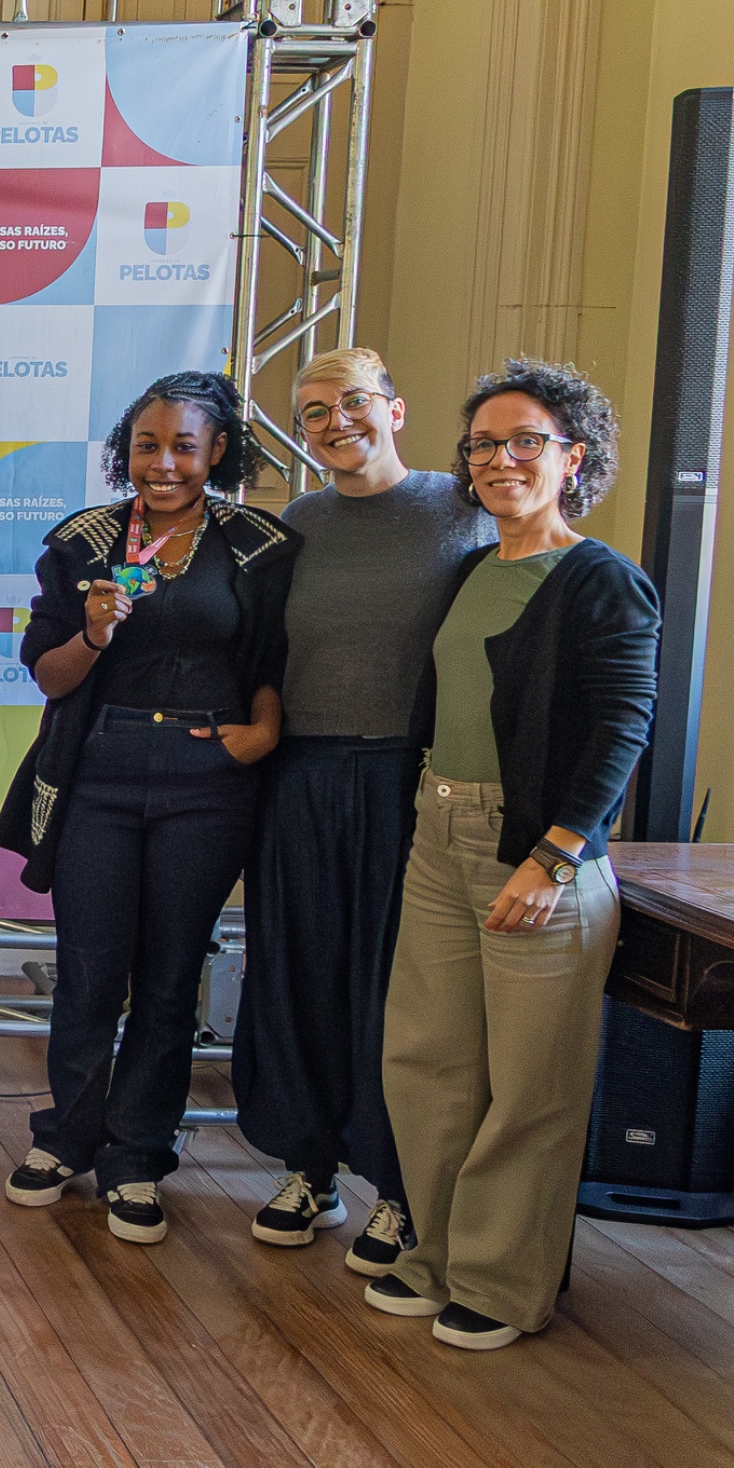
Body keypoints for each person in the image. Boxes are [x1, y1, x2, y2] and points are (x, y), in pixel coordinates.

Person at [362, 359, 657, 1352]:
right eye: (483, 444)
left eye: (526, 440)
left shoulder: (600, 579)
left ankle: (500, 1283)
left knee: (531, 1085)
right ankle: (439, 1256)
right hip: (437, 834)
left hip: (536, 848)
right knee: (429, 1061)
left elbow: (623, 724)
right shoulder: (471, 570)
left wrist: (555, 855)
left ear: (573, 457)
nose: (500, 459)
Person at [0, 371, 300, 1245]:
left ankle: (137, 1157)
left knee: (168, 980)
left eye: (183, 448)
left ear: (218, 452)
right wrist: (94, 633)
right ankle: (66, 1138)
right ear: (123, 452)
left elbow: (272, 660)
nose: (163, 464)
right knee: (88, 971)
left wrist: (261, 734)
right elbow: (48, 677)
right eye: (146, 446)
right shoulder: (82, 543)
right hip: (101, 773)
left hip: (207, 781)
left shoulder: (258, 545)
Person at [236, 347, 492, 1270]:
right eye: (313, 412)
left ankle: (400, 1187)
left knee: (396, 987)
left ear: (395, 408)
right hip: (301, 773)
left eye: (352, 403)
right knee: (297, 971)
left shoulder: (463, 508)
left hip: (406, 775)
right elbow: (263, 651)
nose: (335, 422)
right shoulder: (298, 522)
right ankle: (309, 1168)